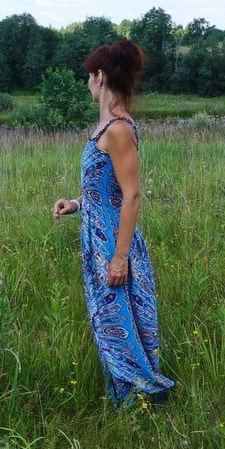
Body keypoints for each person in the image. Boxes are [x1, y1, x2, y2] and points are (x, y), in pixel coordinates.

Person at [52, 40, 176, 409]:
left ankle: (146, 396)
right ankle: (127, 399)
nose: (87, 83)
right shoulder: (105, 126)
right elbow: (105, 189)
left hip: (113, 246)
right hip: (98, 240)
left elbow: (132, 195)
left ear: (101, 76)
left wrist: (120, 258)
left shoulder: (119, 129)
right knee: (108, 321)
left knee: (117, 321)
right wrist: (75, 203)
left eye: (89, 76)